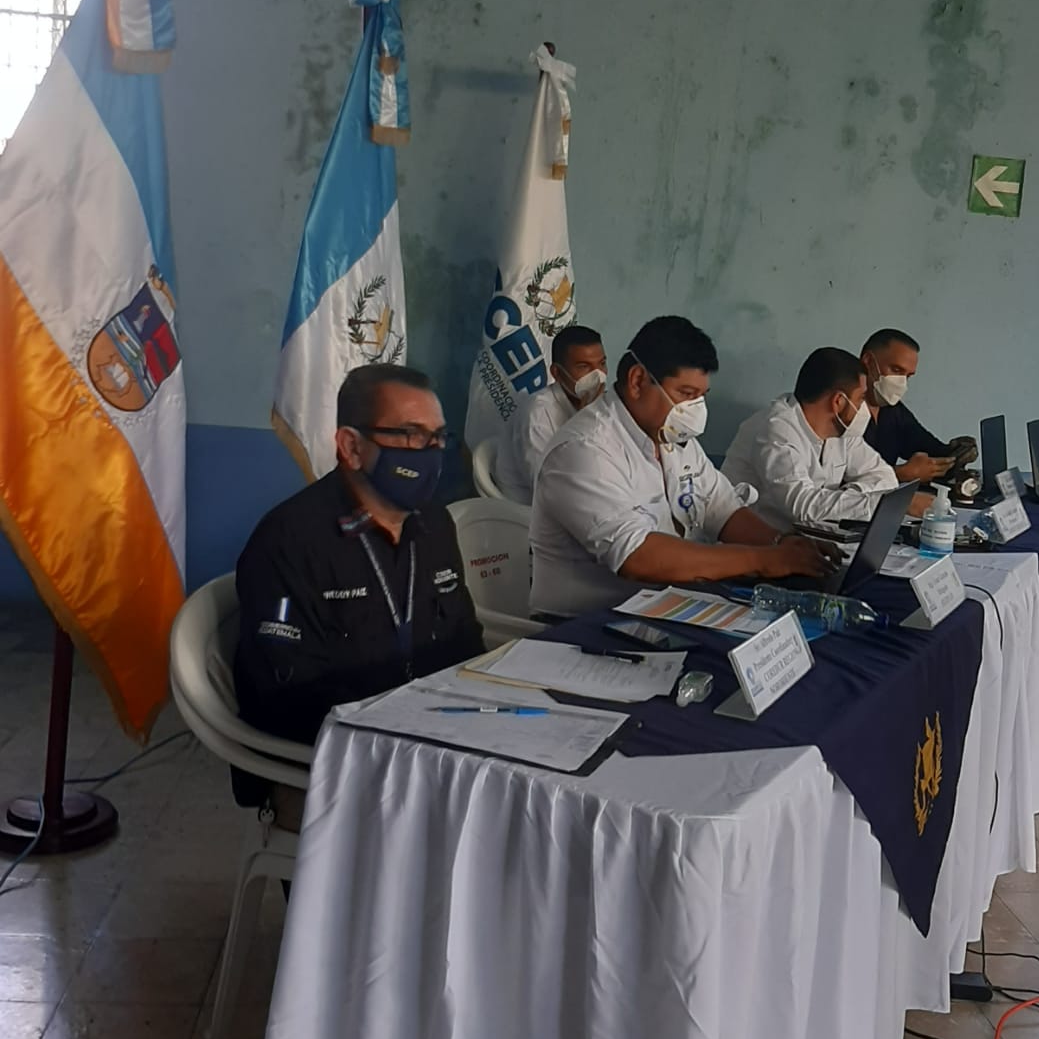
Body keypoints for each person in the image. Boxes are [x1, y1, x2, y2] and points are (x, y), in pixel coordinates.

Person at [235, 363, 486, 751]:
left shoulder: (434, 523)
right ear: (351, 447)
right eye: (411, 435)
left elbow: (464, 642)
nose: (431, 452)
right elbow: (286, 695)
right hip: (343, 754)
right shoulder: (288, 541)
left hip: (442, 735)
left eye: (438, 437)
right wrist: (404, 730)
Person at [531, 315, 838, 617]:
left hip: (666, 606)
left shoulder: (671, 437)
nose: (694, 410)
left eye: (701, 397)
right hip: (584, 623)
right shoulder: (583, 450)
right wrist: (763, 560)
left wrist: (784, 544)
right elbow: (637, 557)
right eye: (686, 394)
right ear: (637, 381)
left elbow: (722, 508)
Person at [722, 347, 934, 530]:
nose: (864, 408)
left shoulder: (843, 432)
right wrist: (892, 504)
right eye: (861, 398)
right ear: (838, 402)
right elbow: (802, 506)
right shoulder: (776, 429)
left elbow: (884, 476)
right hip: (751, 546)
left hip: (804, 541)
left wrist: (848, 497)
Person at [493, 324, 607, 504]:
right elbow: (550, 489)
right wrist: (584, 423)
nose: (598, 375)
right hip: (528, 509)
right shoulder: (537, 415)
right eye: (584, 366)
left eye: (602, 364)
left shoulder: (599, 405)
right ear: (557, 373)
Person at [858, 328, 976, 483]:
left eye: (908, 376)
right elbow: (836, 485)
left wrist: (955, 453)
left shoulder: (893, 411)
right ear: (868, 361)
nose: (901, 382)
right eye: (896, 370)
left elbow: (929, 451)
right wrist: (899, 474)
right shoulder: (842, 413)